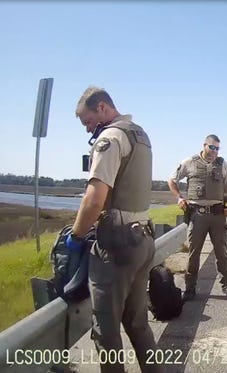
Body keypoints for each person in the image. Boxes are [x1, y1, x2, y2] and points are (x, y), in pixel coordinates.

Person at [66, 86, 163, 373]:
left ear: (103, 108)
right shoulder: (139, 134)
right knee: (138, 324)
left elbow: (94, 199)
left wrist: (77, 235)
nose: (87, 129)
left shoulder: (109, 138)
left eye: (88, 121)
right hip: (143, 237)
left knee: (106, 331)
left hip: (117, 245)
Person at [168, 135, 227, 301]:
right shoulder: (190, 162)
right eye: (212, 147)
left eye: (217, 148)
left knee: (221, 252)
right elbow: (172, 180)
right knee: (194, 253)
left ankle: (226, 285)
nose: (214, 151)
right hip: (196, 215)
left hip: (217, 215)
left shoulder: (222, 164)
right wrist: (179, 197)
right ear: (204, 145)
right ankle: (190, 289)